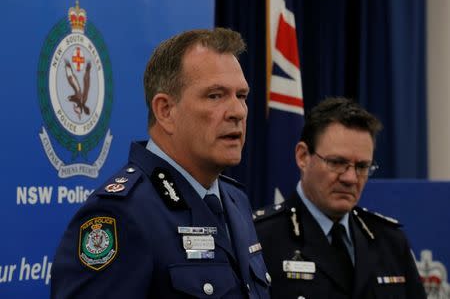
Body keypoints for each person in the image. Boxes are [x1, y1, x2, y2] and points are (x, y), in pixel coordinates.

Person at [51, 28, 271, 298]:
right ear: (165, 111)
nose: (237, 111)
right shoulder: (120, 216)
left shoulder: (235, 200)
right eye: (215, 95)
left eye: (241, 96)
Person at [254, 97, 426, 299]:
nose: (351, 178)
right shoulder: (261, 238)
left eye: (362, 167)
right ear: (303, 157)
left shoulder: (390, 242)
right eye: (337, 162)